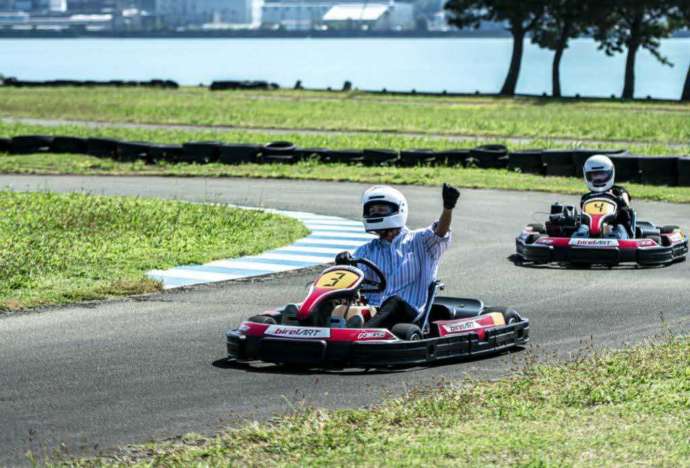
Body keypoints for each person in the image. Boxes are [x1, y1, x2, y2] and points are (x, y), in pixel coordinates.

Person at [335, 183, 460, 329]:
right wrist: (344, 265)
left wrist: (447, 208)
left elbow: (440, 233)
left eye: (381, 210)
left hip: (410, 315)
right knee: (331, 302)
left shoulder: (420, 240)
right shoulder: (366, 251)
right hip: (375, 312)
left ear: (398, 210)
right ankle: (311, 324)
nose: (375, 214)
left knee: (393, 302)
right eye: (372, 210)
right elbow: (349, 282)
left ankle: (361, 332)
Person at [572, 155, 633, 240]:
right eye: (595, 175)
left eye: (602, 174)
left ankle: (624, 239)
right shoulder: (586, 197)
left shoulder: (618, 191)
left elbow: (626, 201)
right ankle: (579, 241)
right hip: (590, 227)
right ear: (588, 176)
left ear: (610, 173)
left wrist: (620, 198)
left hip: (615, 225)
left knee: (619, 228)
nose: (599, 178)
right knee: (582, 228)